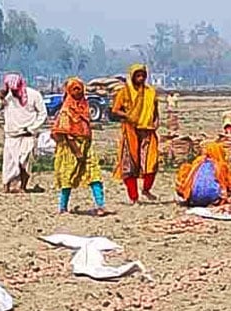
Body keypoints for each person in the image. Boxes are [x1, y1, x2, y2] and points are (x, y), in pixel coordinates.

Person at [52, 78, 109, 216]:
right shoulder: (66, 110)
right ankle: (63, 207)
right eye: (74, 89)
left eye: (79, 89)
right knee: (68, 176)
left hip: (86, 146)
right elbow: (66, 134)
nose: (78, 92)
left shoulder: (84, 107)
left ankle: (101, 205)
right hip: (71, 148)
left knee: (94, 174)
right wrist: (77, 152)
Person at [110, 64, 160, 203]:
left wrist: (156, 121)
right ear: (132, 77)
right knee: (129, 164)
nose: (141, 78)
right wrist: (128, 116)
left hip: (148, 130)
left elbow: (155, 109)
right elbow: (115, 110)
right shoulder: (125, 92)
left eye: (143, 75)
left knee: (151, 162)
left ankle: (146, 189)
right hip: (130, 130)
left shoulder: (151, 92)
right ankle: (133, 197)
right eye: (138, 76)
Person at [0, 72, 47, 193]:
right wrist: (0, 97)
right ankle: (6, 186)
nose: (14, 92)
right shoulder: (6, 96)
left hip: (27, 135)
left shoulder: (34, 95)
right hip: (11, 135)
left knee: (24, 162)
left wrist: (32, 128)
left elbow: (42, 114)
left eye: (16, 90)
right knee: (9, 163)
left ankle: (23, 187)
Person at [174, 141, 231, 207]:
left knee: (185, 170)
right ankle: (213, 199)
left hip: (192, 199)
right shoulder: (221, 166)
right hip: (213, 199)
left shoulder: (197, 162)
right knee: (225, 190)